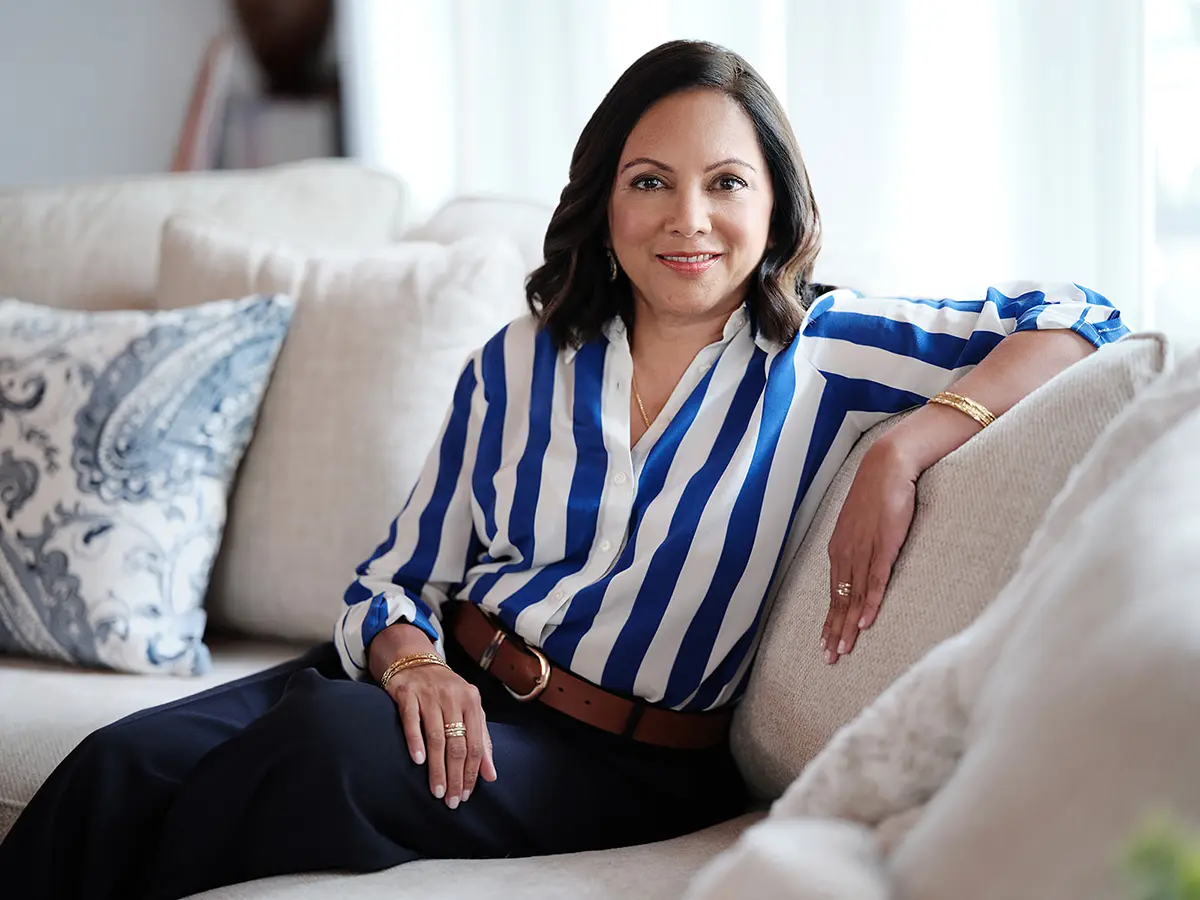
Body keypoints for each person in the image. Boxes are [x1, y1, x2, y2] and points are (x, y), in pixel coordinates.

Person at [0, 39, 1127, 900]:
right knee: (114, 764)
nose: (689, 218)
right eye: (651, 181)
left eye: (727, 183)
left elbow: (1081, 315)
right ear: (606, 199)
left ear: (776, 201)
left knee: (324, 750)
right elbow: (395, 577)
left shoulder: (828, 352)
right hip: (432, 682)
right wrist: (409, 666)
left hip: (613, 760)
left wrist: (911, 439)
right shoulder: (520, 362)